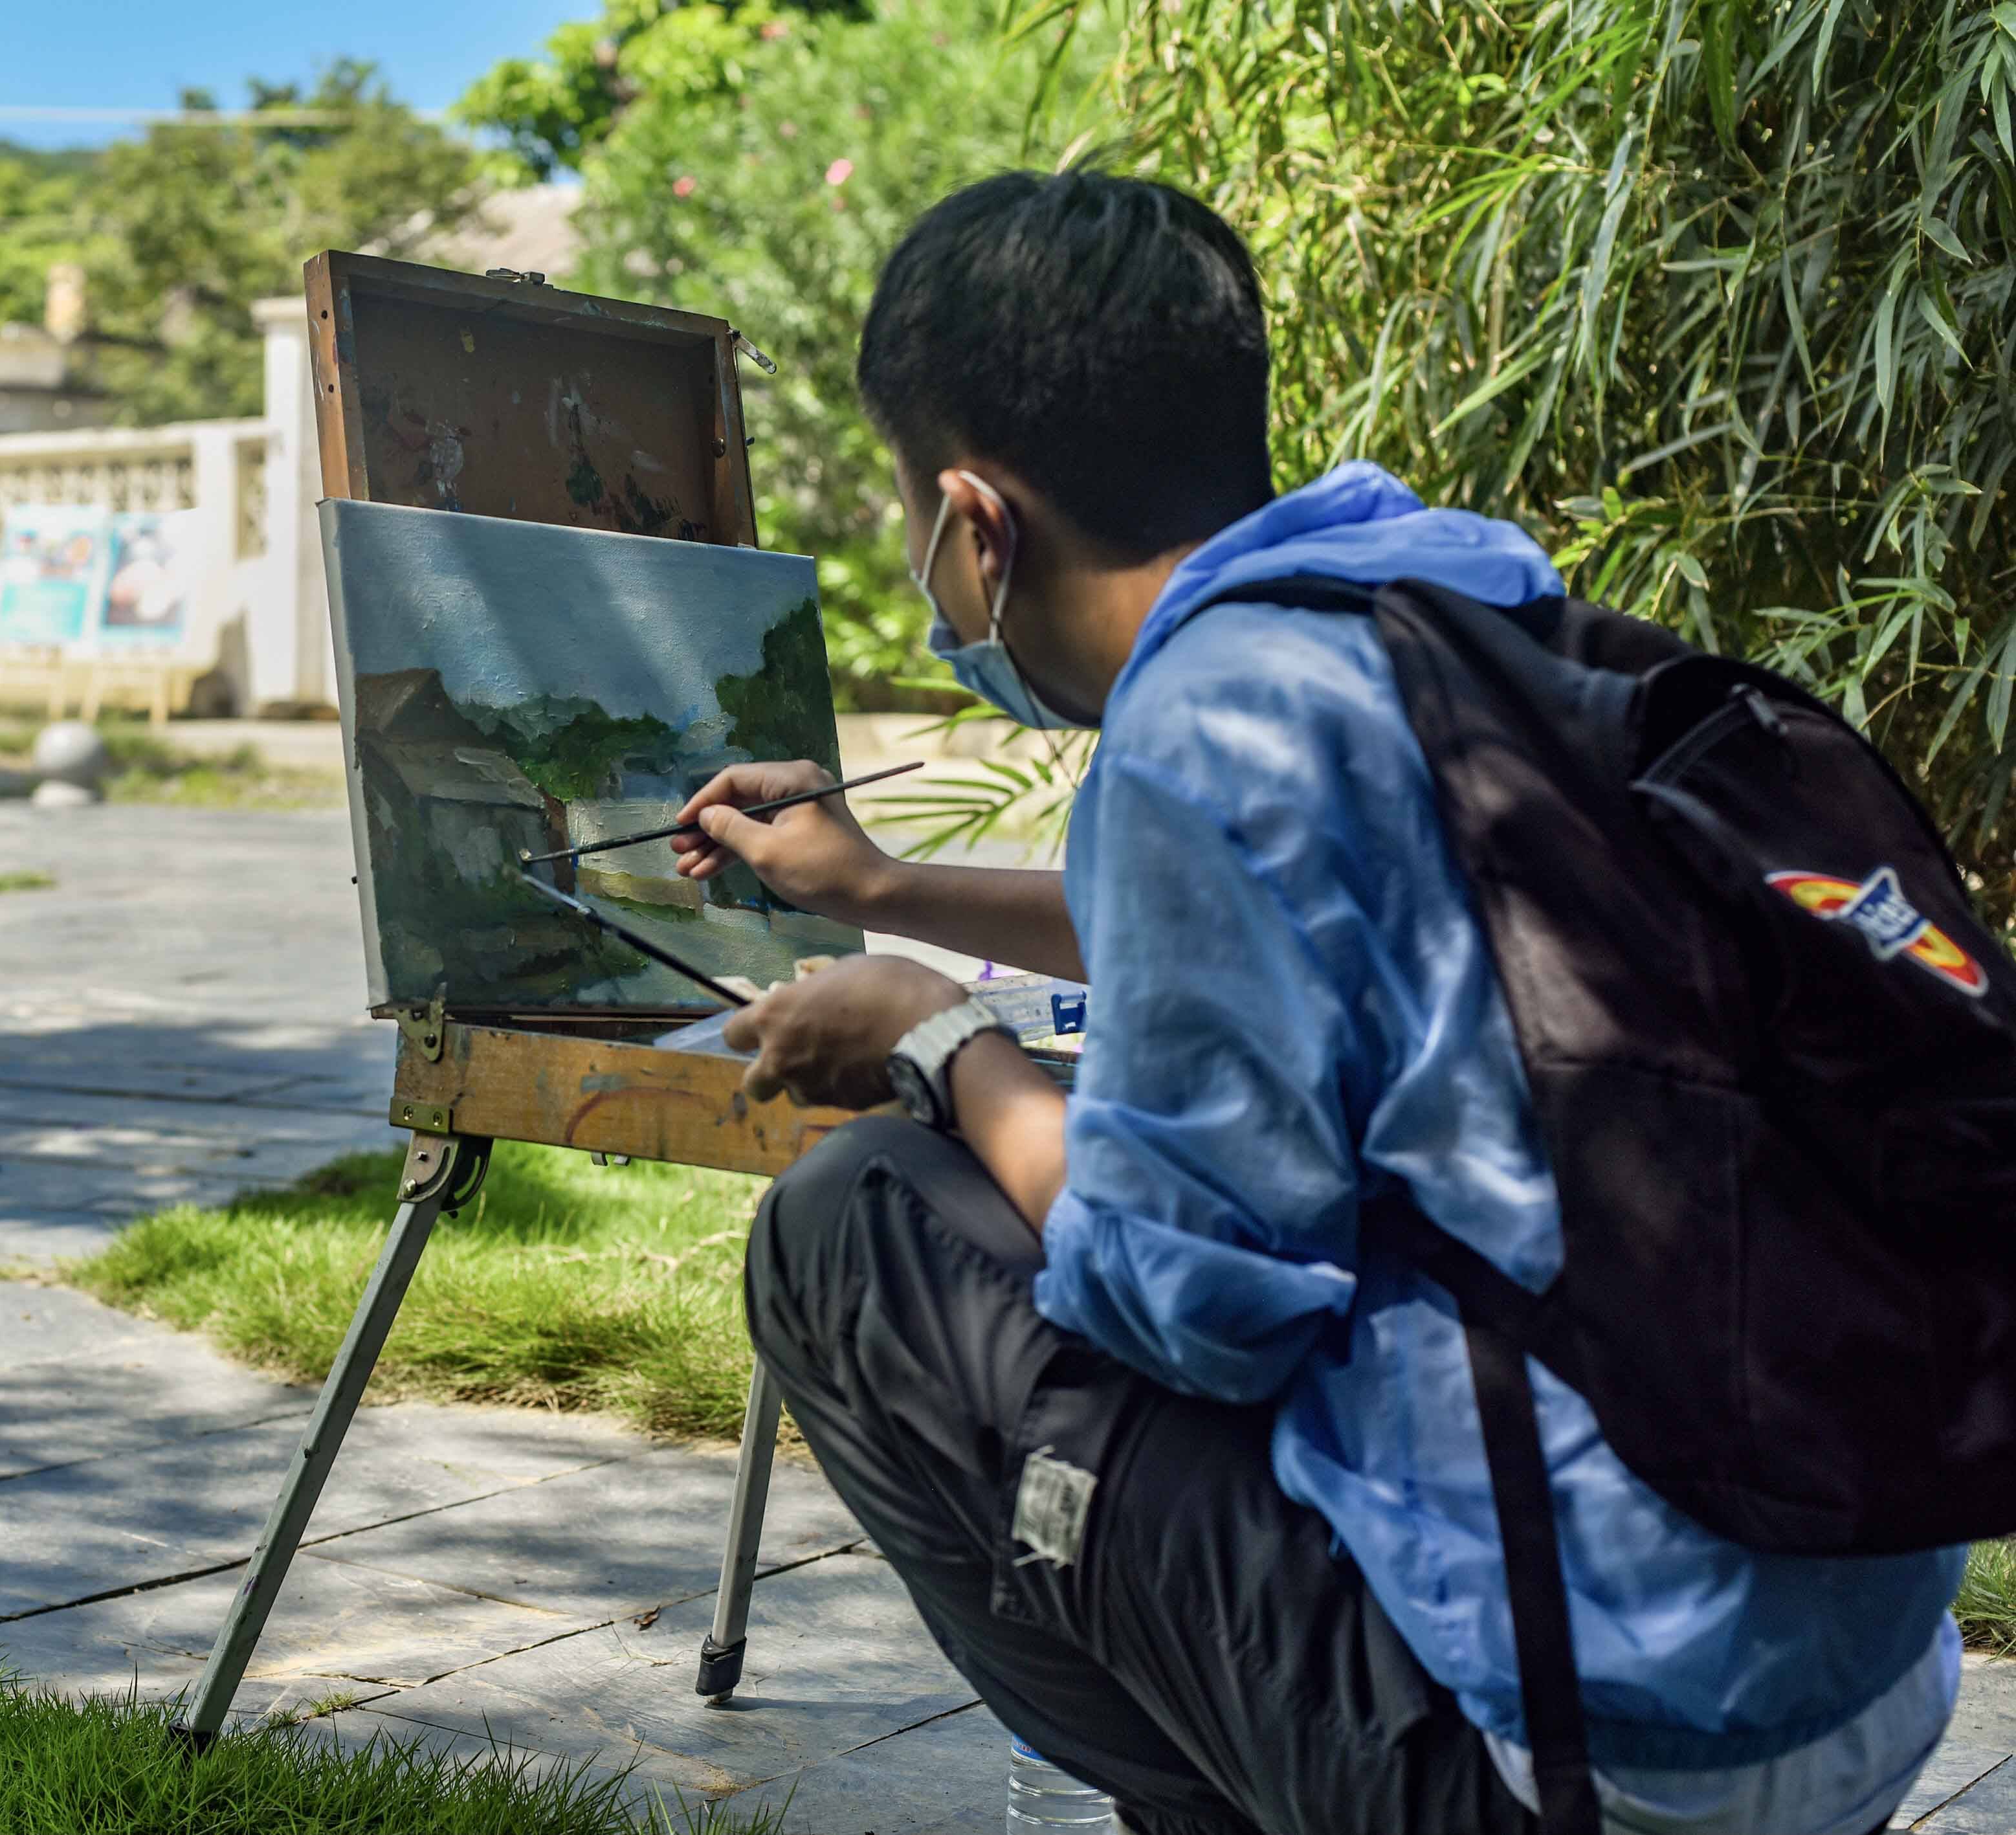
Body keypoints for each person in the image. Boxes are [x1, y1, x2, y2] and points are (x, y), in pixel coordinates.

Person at [673, 172, 1964, 1835]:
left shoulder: (1205, 720)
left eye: (916, 524)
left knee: (847, 1223)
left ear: (973, 524)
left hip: (1578, 1760)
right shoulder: (1452, 602)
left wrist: (937, 1033)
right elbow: (1265, 913)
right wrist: (877, 887)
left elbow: (1181, 1297)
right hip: (1840, 1677)